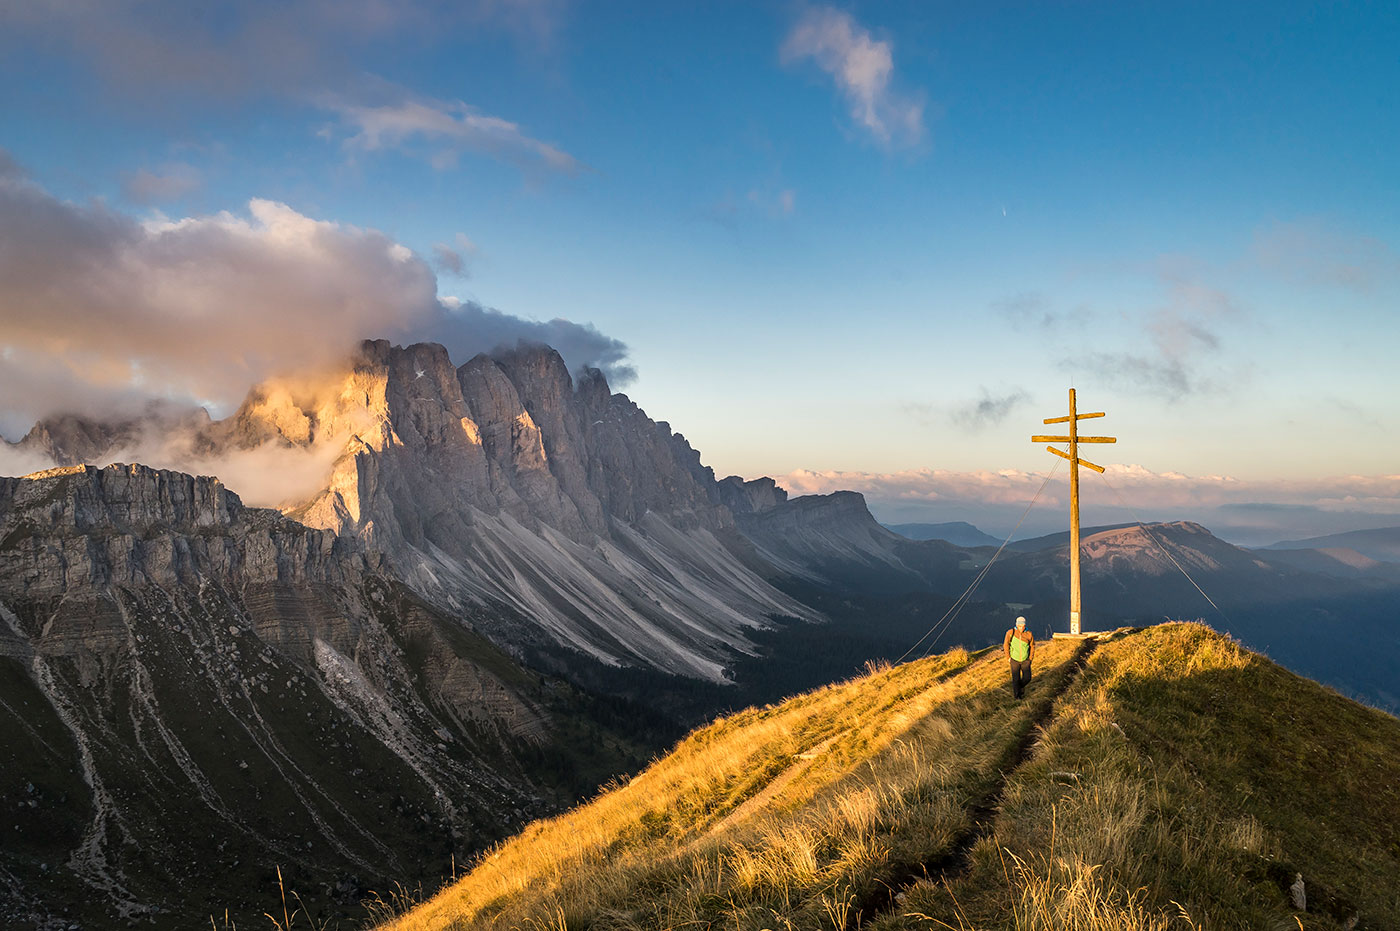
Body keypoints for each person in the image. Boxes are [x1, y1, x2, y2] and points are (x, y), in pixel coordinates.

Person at [1003, 616, 1035, 699]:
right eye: (1019, 626)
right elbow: (1006, 644)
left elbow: (1032, 646)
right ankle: (1017, 697)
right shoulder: (1011, 632)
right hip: (1014, 660)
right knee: (1015, 679)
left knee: (1027, 678)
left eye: (1023, 626)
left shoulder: (1029, 634)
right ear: (1016, 625)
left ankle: (1020, 687)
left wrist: (1030, 658)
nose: (1021, 628)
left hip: (1025, 660)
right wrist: (1008, 657)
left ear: (1025, 625)